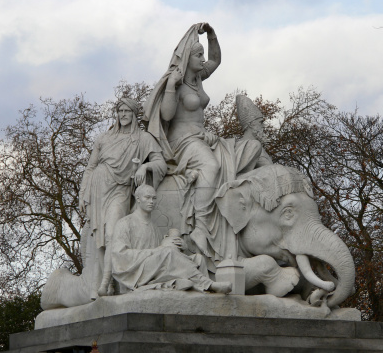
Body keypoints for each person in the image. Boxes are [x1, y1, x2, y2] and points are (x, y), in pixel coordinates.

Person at [144, 23, 264, 261]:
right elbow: (166, 116)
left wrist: (212, 35)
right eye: (198, 55)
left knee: (248, 149)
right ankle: (201, 225)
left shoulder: (198, 78)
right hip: (181, 142)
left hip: (202, 138)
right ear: (187, 58)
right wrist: (170, 86)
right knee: (211, 166)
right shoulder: (176, 81)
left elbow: (216, 59)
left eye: (202, 55)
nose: (203, 59)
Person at [79, 98, 166, 297]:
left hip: (120, 189)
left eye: (127, 111)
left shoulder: (143, 139)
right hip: (98, 188)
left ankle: (108, 282)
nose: (123, 114)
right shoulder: (104, 138)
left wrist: (145, 166)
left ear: (134, 114)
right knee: (100, 237)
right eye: (120, 111)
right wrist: (83, 194)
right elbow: (90, 167)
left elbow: (161, 163)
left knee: (112, 234)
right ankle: (108, 285)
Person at [110, 184, 232, 294]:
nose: (151, 201)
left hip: (156, 268)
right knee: (168, 252)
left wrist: (181, 248)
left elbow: (163, 257)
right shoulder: (124, 223)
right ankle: (208, 284)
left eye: (154, 198)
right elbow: (120, 257)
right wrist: (159, 250)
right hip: (136, 272)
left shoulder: (155, 228)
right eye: (147, 197)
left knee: (198, 259)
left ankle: (199, 291)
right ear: (138, 199)